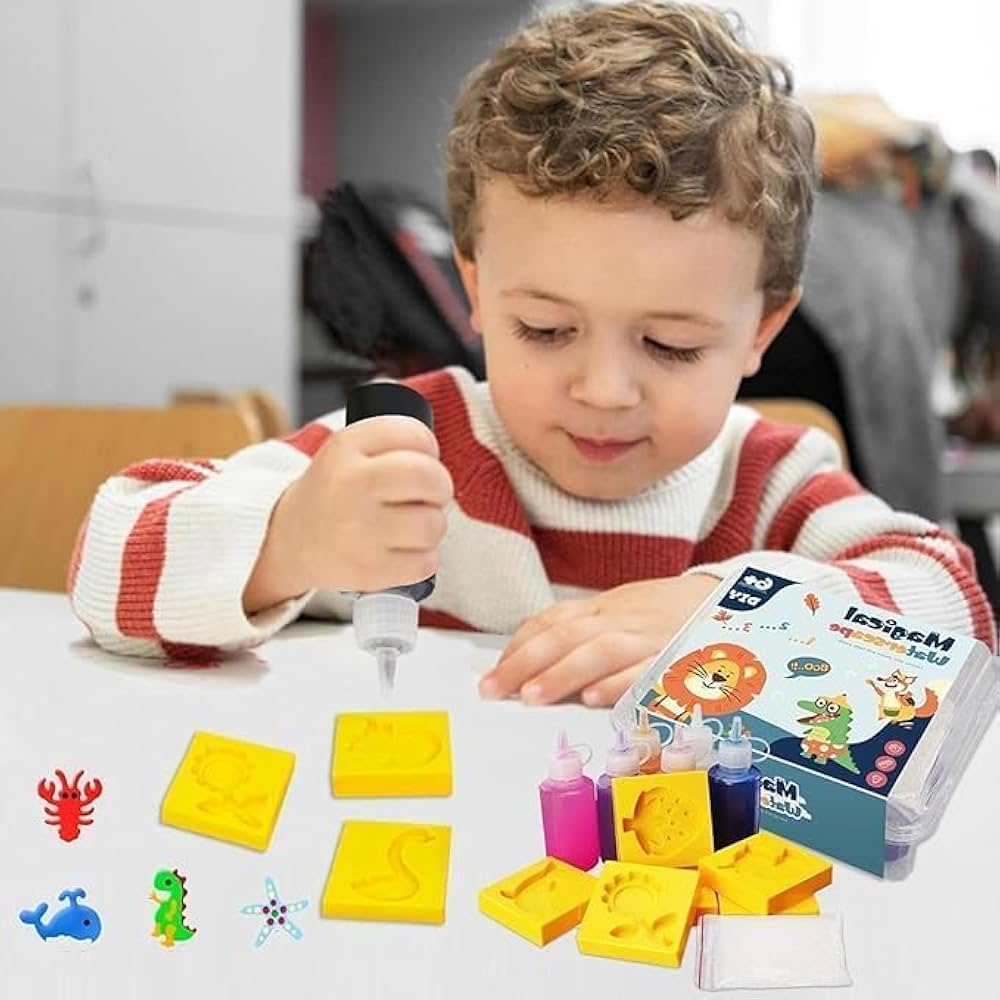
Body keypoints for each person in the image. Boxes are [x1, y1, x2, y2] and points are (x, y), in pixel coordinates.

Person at [68, 2, 995, 707]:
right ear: (476, 291)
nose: (604, 390)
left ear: (761, 329)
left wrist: (738, 616)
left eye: (671, 345)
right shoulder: (415, 445)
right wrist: (286, 540)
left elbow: (958, 611)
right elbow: (106, 557)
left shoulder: (771, 483)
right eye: (545, 331)